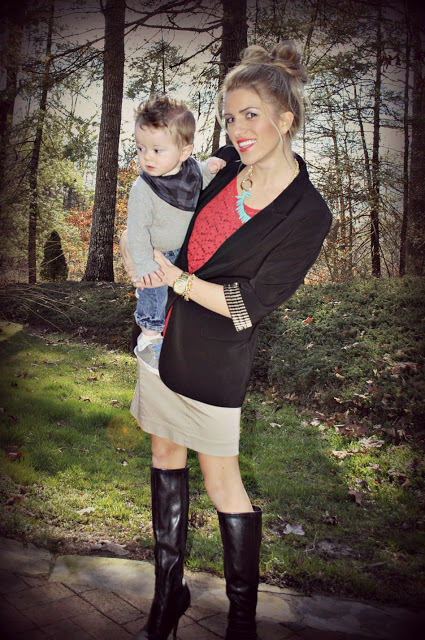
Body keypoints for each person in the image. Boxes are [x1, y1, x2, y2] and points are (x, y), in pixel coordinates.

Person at [120, 41, 332, 640]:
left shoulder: (307, 213)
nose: (238, 129)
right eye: (230, 116)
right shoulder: (221, 168)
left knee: (223, 483)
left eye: (251, 115)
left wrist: (178, 279)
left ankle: (242, 620)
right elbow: (160, 202)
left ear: (285, 118)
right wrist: (138, 252)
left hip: (216, 357)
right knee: (164, 458)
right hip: (161, 341)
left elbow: (250, 304)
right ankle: (169, 594)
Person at [126, 95, 226, 373]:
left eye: (157, 150)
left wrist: (209, 169)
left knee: (171, 300)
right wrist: (144, 264)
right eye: (140, 148)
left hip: (183, 253)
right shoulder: (144, 188)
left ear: (184, 152)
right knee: (154, 291)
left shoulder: (190, 170)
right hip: (156, 254)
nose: (146, 156)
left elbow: (198, 179)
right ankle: (148, 338)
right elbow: (136, 231)